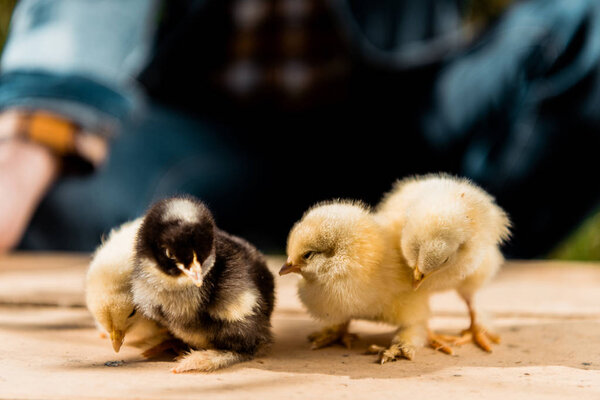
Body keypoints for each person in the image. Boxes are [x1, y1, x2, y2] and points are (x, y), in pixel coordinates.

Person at [0, 0, 599, 257]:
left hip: (406, 113)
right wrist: (31, 141)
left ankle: (463, 272)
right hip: (205, 126)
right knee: (68, 201)